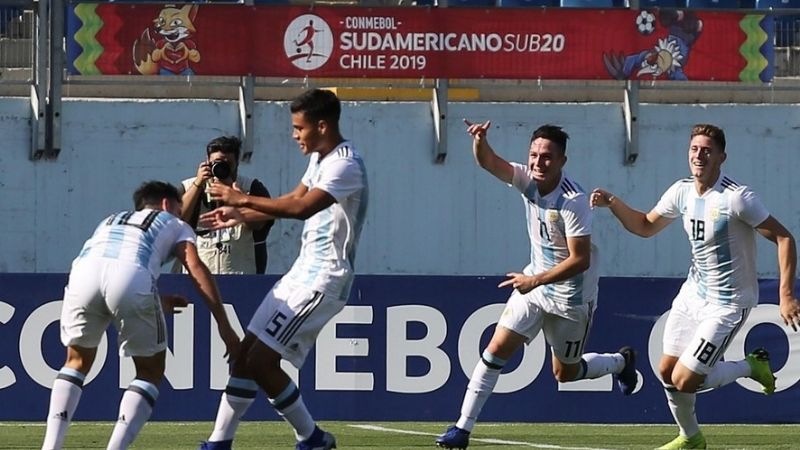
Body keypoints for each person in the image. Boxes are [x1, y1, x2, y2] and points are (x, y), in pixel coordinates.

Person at [591, 123, 800, 449]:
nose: (699, 156)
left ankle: (750, 366)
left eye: (707, 151)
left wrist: (786, 294)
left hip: (729, 303)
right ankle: (691, 438)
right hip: (693, 295)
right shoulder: (682, 192)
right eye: (694, 149)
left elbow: (785, 238)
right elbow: (645, 226)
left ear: (721, 157)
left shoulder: (737, 198)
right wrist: (613, 202)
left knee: (685, 379)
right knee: (666, 371)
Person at [435, 121, 637, 450]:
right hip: (535, 288)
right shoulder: (526, 179)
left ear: (562, 161)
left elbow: (580, 260)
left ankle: (620, 362)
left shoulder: (573, 201)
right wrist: (480, 140)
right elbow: (489, 162)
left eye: (547, 157)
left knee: (565, 374)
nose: (538, 162)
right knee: (496, 350)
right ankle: (461, 429)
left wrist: (534, 280)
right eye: (534, 155)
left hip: (571, 299)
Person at [197, 88, 368, 450]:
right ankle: (219, 442)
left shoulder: (345, 165)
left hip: (323, 279)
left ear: (322, 126)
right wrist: (241, 214)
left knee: (262, 362)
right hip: (300, 272)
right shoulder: (321, 158)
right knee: (244, 356)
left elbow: (302, 209)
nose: (294, 135)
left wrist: (242, 198)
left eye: (299, 128)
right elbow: (291, 198)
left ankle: (311, 438)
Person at [41, 181, 240, 450]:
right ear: (168, 204)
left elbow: (108, 274)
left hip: (83, 273)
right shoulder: (176, 223)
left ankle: (50, 446)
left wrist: (156, 301)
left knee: (76, 361)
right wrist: (224, 326)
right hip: (131, 276)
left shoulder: (110, 220)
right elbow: (194, 267)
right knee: (150, 370)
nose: (181, 214)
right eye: (179, 209)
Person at [178, 135, 274, 274]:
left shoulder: (251, 188)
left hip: (242, 277)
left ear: (237, 163)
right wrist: (198, 184)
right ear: (207, 162)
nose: (222, 168)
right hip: (198, 278)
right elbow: (178, 222)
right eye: (217, 163)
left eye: (228, 164)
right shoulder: (189, 187)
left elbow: (259, 225)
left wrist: (239, 199)